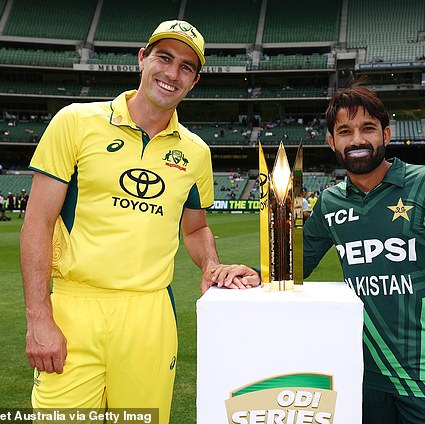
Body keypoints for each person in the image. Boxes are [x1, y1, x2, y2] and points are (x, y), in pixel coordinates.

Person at [20, 20, 259, 424]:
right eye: (164, 58)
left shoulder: (197, 153)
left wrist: (210, 264)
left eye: (186, 67)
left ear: (194, 81)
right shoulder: (75, 122)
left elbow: (196, 228)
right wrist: (39, 318)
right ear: (142, 59)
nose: (172, 73)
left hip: (150, 314)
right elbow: (37, 223)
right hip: (76, 307)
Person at [302, 85, 425, 424]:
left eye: (368, 128)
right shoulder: (329, 202)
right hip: (361, 372)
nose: (357, 139)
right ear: (332, 142)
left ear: (386, 135)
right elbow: (291, 265)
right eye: (345, 131)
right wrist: (249, 273)